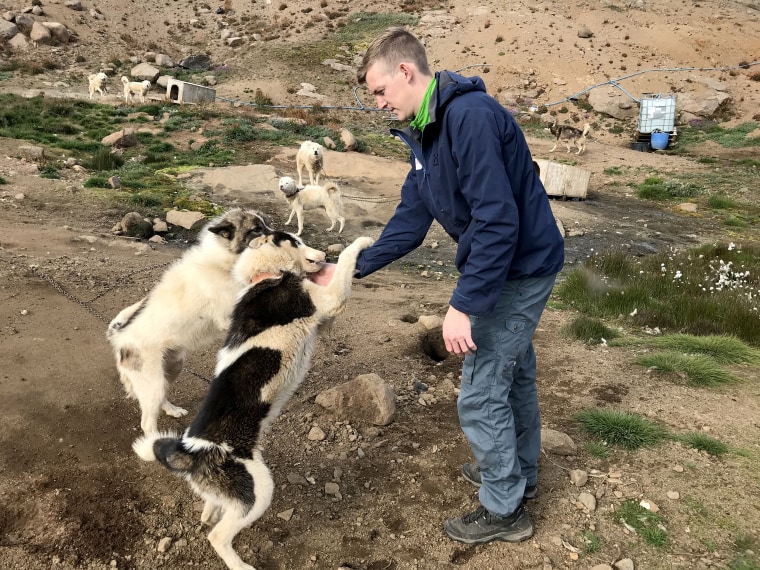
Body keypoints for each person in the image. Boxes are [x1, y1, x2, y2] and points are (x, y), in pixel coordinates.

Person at [310, 27, 564, 545]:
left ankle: (505, 510)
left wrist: (464, 305)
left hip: (520, 267)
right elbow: (410, 218)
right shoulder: (424, 131)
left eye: (380, 91)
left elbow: (497, 221)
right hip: (507, 265)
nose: (378, 104)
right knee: (512, 375)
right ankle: (520, 476)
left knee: (480, 391)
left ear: (406, 72)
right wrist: (350, 268)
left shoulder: (468, 118)